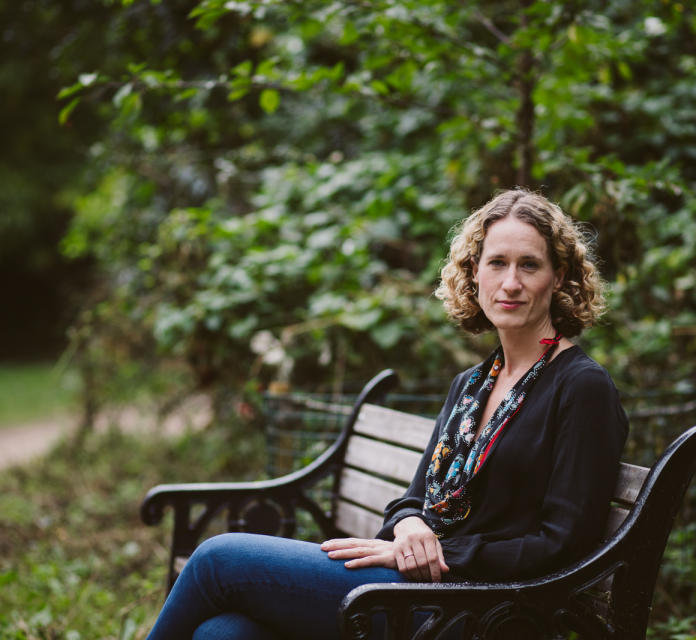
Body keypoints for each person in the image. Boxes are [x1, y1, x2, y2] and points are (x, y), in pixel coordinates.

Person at [145, 188, 629, 640]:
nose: (511, 282)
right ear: (475, 273)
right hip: (423, 587)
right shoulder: (474, 385)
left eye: (530, 265)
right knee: (223, 634)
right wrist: (410, 527)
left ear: (559, 276)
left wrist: (438, 553)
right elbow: (411, 500)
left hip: (485, 608)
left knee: (217, 559)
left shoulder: (580, 387)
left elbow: (566, 541)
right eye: (497, 262)